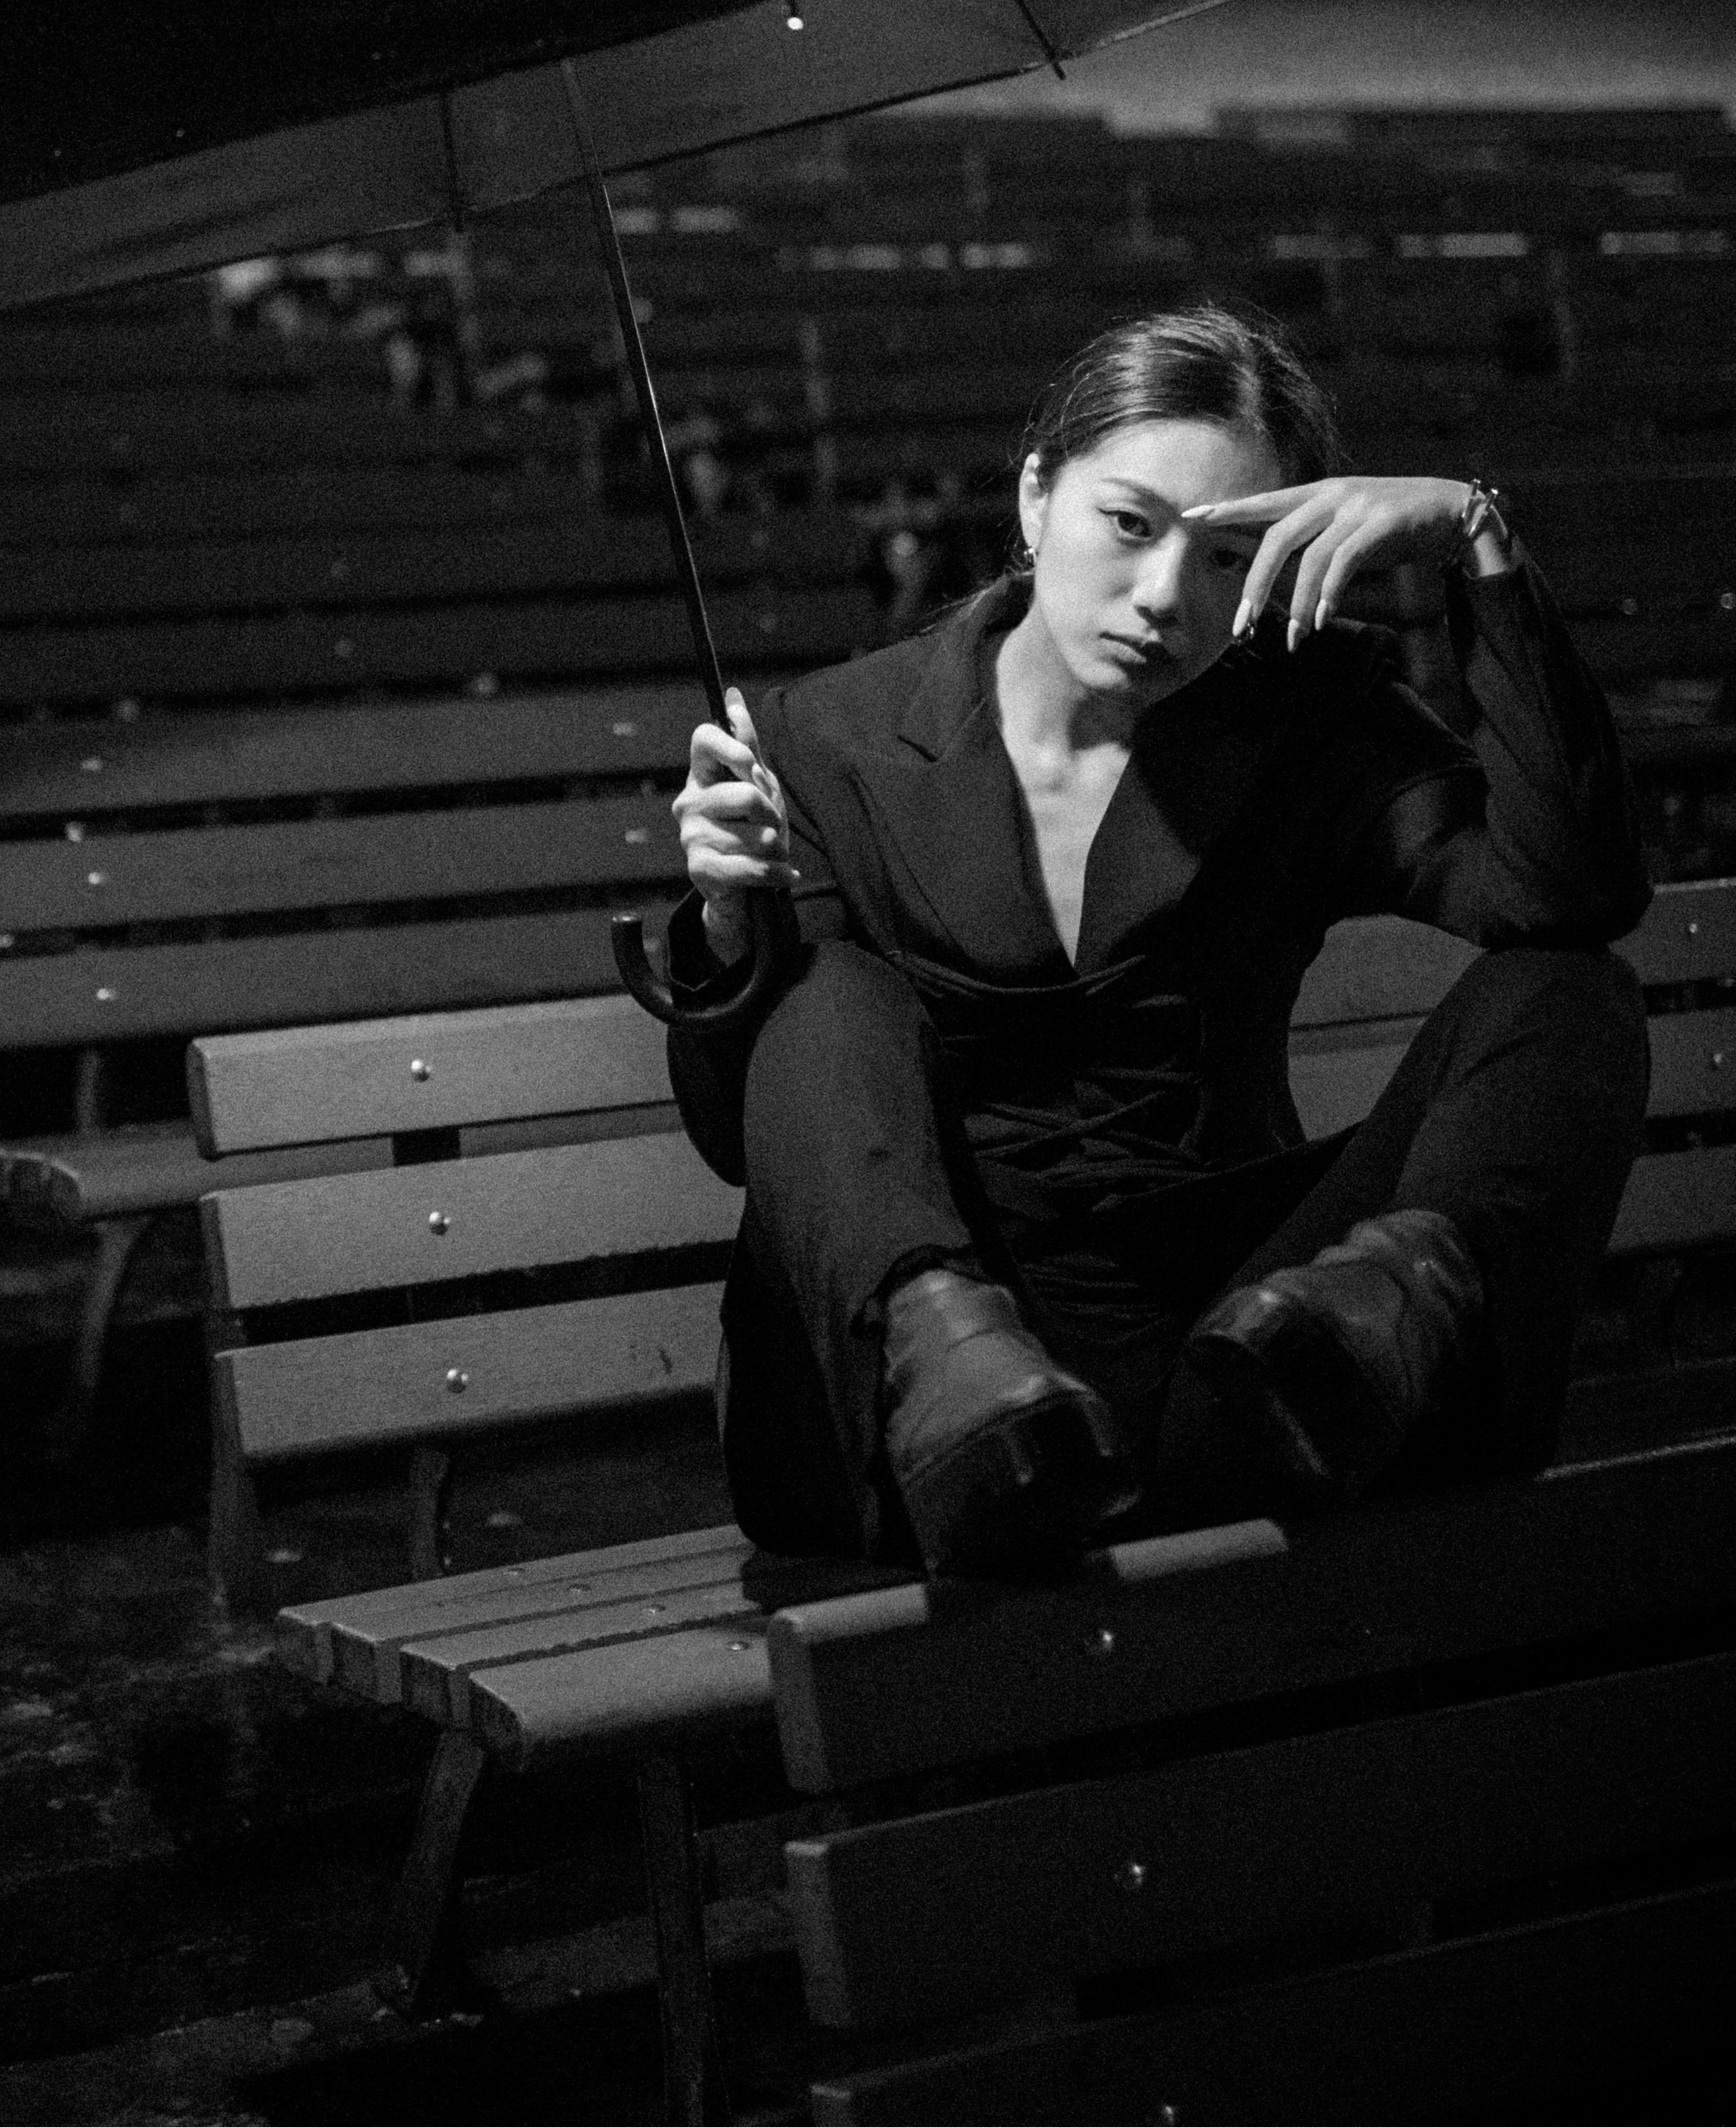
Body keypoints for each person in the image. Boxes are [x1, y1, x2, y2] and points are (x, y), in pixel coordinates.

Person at [664, 302, 1651, 1576]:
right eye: (1129, 525)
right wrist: (727, 918)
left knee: (1570, 989)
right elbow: (736, 1131)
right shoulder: (827, 737)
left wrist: (1475, 540)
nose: (1163, 597)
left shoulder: (1302, 718)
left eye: (1225, 556)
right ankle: (949, 1359)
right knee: (825, 991)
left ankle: (1388, 1321)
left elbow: (1564, 893)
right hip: (921, 1427)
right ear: (1035, 497)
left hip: (1244, 1376)